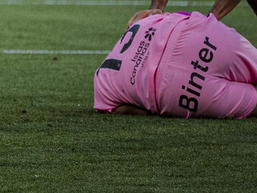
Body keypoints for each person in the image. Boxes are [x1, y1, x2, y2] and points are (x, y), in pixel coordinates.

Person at [94, 11, 257, 118]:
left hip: (175, 88)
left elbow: (132, 111)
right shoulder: (142, 22)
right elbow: (186, 15)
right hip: (198, 36)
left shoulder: (101, 82)